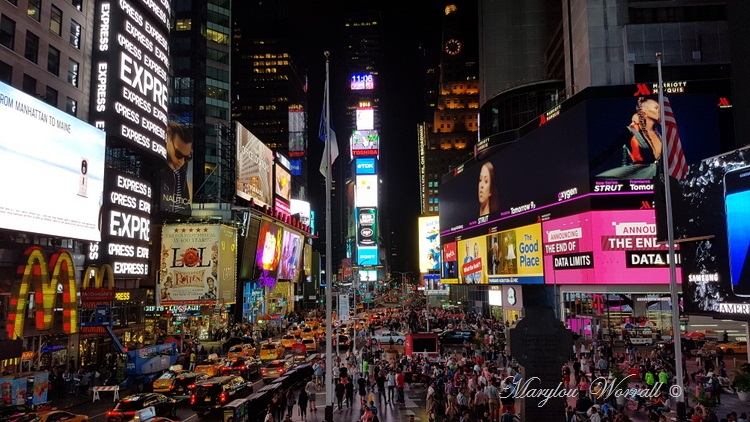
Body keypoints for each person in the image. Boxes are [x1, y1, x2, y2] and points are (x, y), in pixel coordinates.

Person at [596, 98, 663, 180]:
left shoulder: (659, 134)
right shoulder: (631, 131)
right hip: (639, 177)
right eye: (656, 108)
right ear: (645, 111)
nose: (660, 110)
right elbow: (608, 152)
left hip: (659, 180)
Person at [160, 121, 194, 213]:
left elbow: (186, 210)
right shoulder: (156, 168)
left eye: (187, 157)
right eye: (178, 154)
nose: (182, 162)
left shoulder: (182, 173)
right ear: (167, 138)